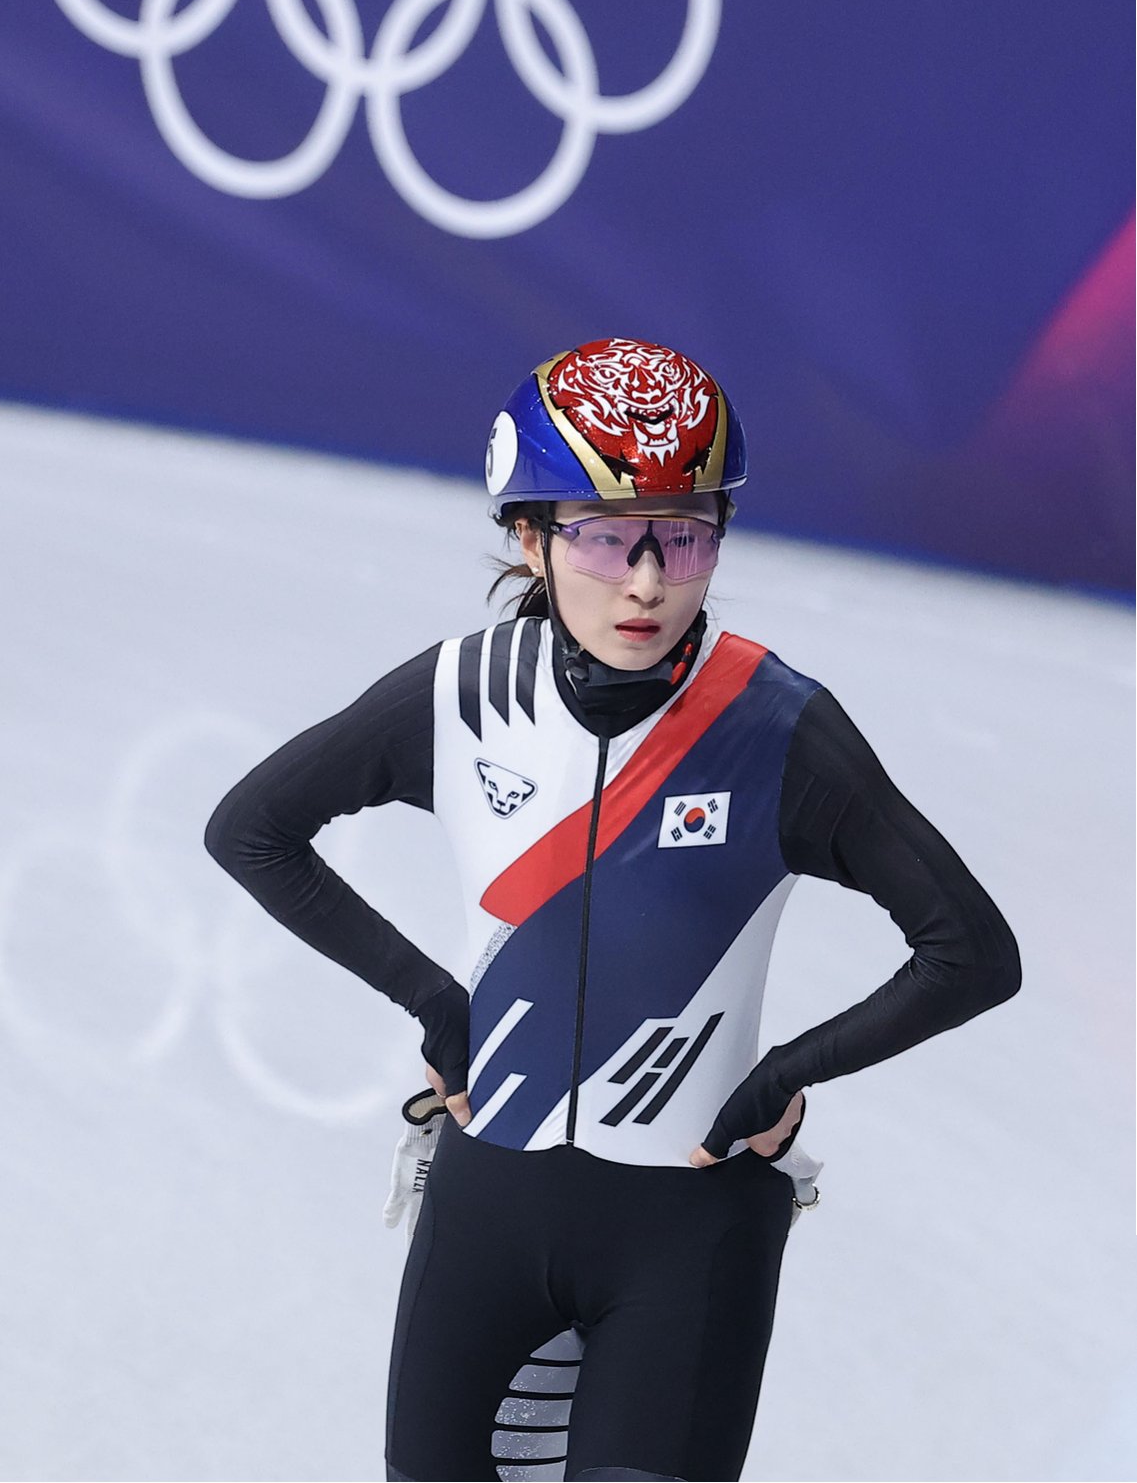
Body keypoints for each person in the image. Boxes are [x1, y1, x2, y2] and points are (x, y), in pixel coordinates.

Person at [204, 337, 1022, 1483]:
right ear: (529, 537)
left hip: (688, 1231)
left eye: (683, 536)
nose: (645, 582)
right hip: (487, 1204)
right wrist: (437, 1005)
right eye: (602, 535)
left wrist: (781, 1076)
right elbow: (251, 828)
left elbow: (971, 952)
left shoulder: (775, 724)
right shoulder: (461, 693)